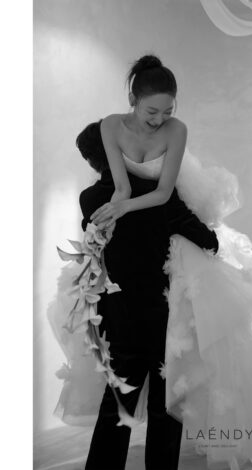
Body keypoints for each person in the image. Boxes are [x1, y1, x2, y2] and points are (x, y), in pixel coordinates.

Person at [53, 54, 252, 470]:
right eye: (151, 112)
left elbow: (136, 210)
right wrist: (207, 239)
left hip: (133, 305)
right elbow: (188, 227)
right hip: (154, 307)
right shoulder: (147, 196)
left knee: (129, 403)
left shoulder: (98, 197)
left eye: (167, 111)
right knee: (159, 403)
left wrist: (130, 214)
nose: (159, 121)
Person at [51, 120, 220, 470]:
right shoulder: (157, 191)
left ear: (94, 160)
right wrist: (209, 238)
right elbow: (205, 239)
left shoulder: (90, 198)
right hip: (163, 314)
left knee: (117, 403)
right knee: (165, 403)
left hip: (118, 313)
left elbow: (99, 250)